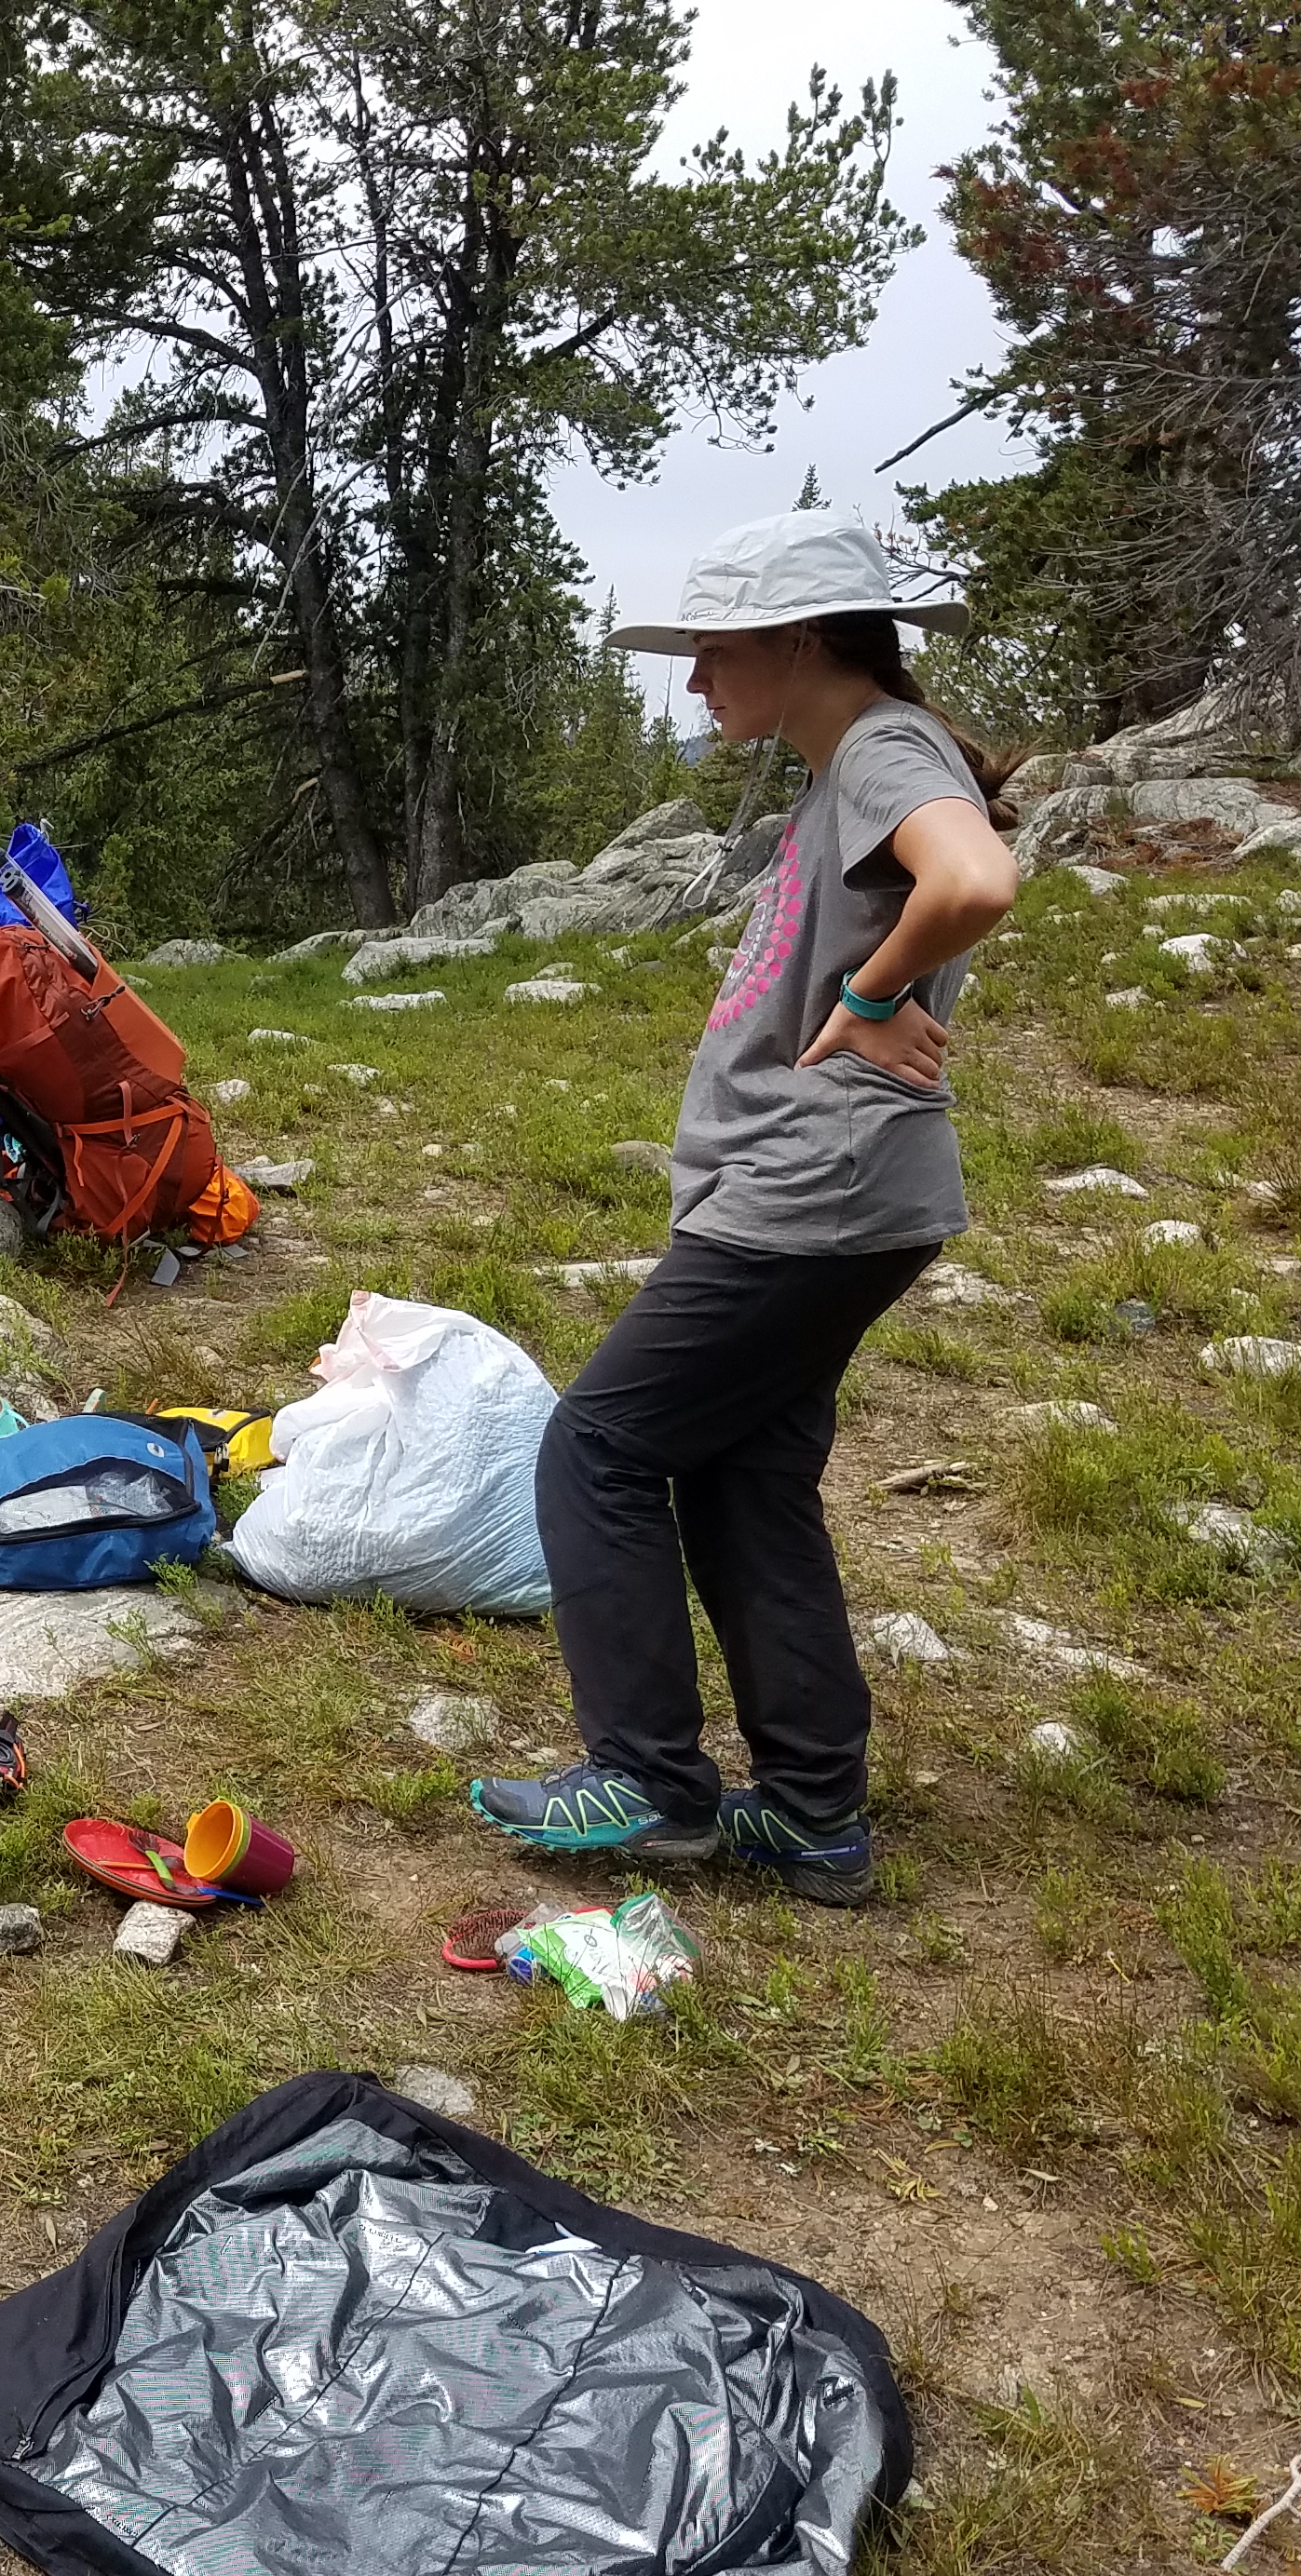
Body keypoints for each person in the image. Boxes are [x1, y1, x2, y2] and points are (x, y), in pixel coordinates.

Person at [468, 509, 1018, 1906]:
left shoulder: (886, 747)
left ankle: (648, 1778)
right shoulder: (848, 765)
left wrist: (876, 995)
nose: (699, 681)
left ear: (798, 640)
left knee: (594, 1448)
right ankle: (815, 1812)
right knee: (741, 1477)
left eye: (714, 652)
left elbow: (977, 879)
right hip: (833, 1192)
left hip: (812, 1190)